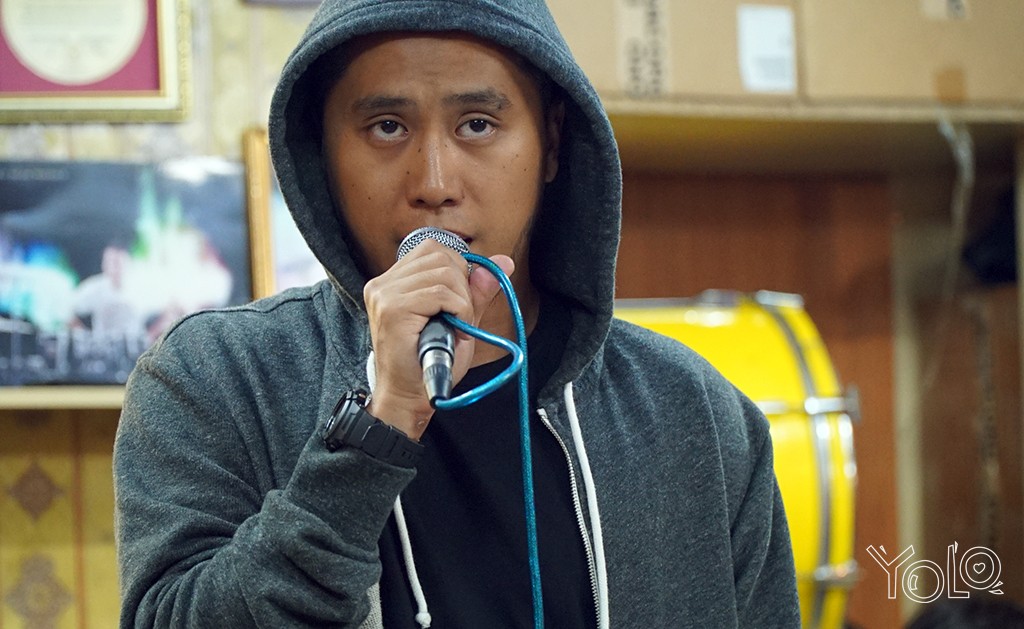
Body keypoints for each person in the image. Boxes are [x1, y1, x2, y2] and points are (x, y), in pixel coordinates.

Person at [113, 0, 800, 626]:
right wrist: (376, 432)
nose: (435, 183)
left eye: (478, 124)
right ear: (322, 153)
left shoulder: (697, 413)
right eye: (387, 127)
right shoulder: (214, 380)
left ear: (551, 142)